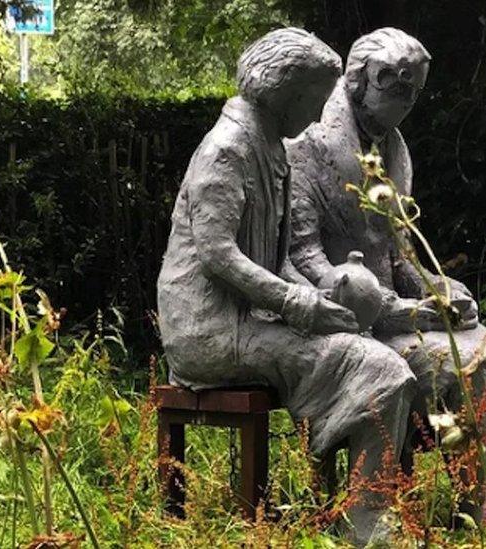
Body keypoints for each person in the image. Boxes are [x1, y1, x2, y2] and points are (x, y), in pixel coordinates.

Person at [157, 27, 417, 545]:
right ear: (284, 92)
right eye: (316, 98)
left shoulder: (271, 149)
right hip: (207, 330)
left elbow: (279, 261)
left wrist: (320, 300)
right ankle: (364, 522)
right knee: (380, 368)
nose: (322, 111)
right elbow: (218, 254)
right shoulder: (228, 149)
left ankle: (359, 506)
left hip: (252, 318)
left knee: (371, 353)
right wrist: (298, 303)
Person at [286, 27, 486, 519]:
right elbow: (303, 256)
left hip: (396, 312)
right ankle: (375, 507)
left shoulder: (396, 149)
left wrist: (438, 289)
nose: (408, 101)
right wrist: (397, 310)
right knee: (442, 360)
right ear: (357, 82)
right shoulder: (308, 144)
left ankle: (478, 501)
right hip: (344, 314)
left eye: (416, 90)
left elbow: (401, 254)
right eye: (396, 86)